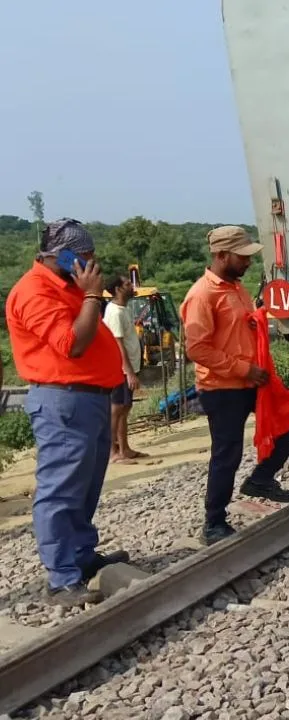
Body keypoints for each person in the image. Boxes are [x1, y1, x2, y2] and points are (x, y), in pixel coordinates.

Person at [5, 219, 129, 606]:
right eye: (85, 255)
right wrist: (92, 297)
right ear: (63, 255)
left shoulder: (66, 286)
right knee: (60, 490)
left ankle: (81, 557)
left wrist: (88, 294)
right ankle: (61, 579)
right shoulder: (35, 292)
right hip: (63, 400)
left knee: (85, 485)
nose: (91, 262)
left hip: (88, 398)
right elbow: (72, 344)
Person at [181, 226, 289, 545]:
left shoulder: (235, 288)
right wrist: (242, 368)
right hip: (222, 388)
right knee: (227, 453)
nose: (249, 262)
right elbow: (197, 348)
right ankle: (213, 523)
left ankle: (262, 479)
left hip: (251, 379)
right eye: (243, 256)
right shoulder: (202, 294)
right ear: (222, 256)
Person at [102, 275, 146, 463]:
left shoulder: (123, 309)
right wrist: (128, 371)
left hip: (129, 368)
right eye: (128, 284)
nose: (131, 286)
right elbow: (117, 344)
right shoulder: (115, 313)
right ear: (119, 289)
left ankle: (124, 448)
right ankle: (112, 451)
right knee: (117, 407)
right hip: (120, 369)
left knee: (125, 407)